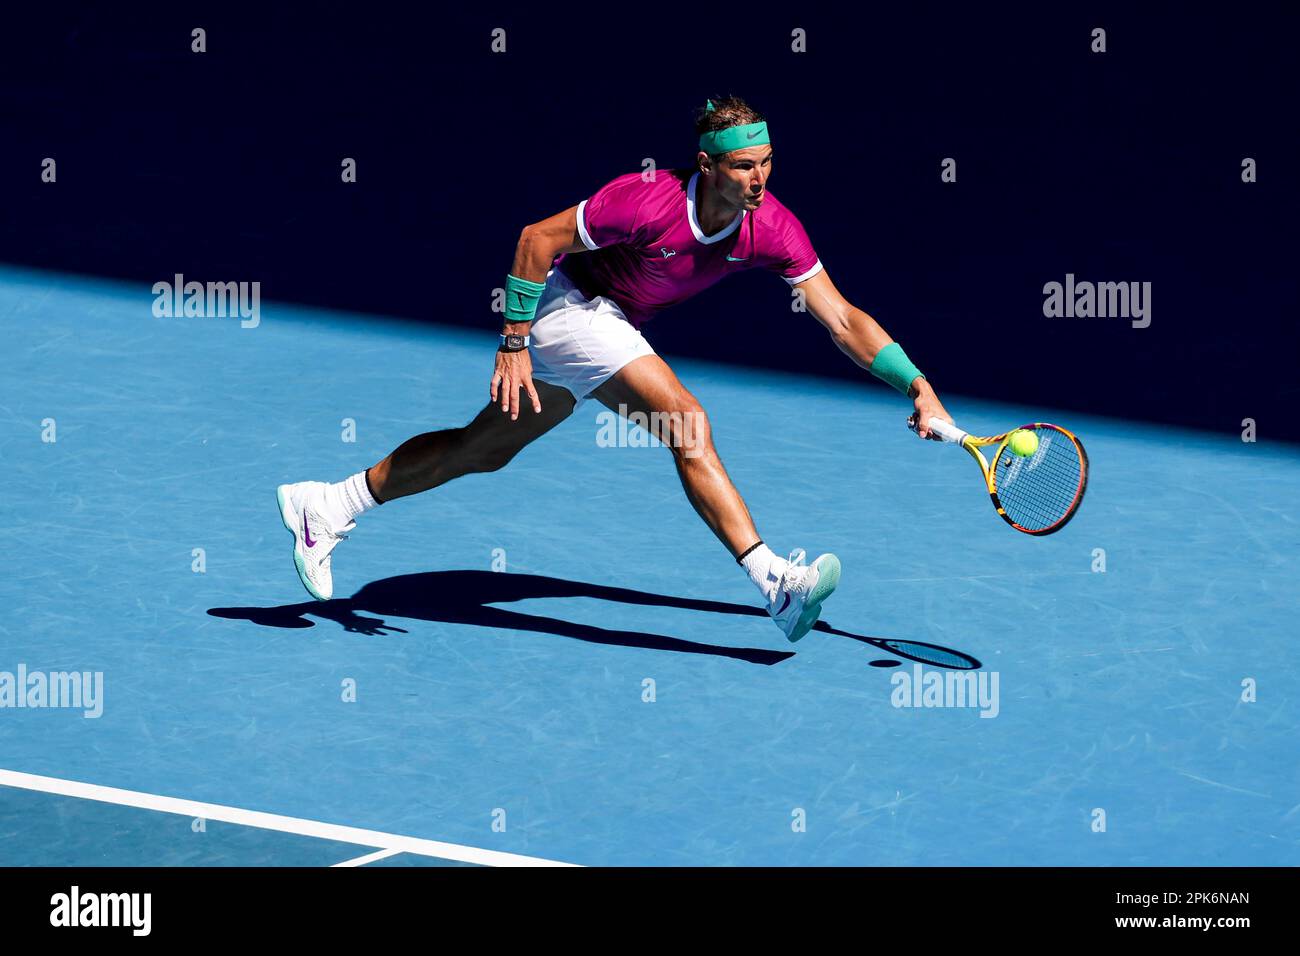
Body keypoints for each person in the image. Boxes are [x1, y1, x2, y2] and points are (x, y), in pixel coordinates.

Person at [276, 95, 952, 643]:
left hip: (610, 326)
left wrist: (917, 386)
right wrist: (513, 342)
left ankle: (329, 503)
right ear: (707, 165)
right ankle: (774, 581)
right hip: (569, 309)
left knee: (480, 450)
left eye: (767, 162)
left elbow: (841, 318)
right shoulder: (646, 200)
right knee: (686, 424)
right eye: (745, 166)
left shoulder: (770, 226)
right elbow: (535, 240)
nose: (760, 178)